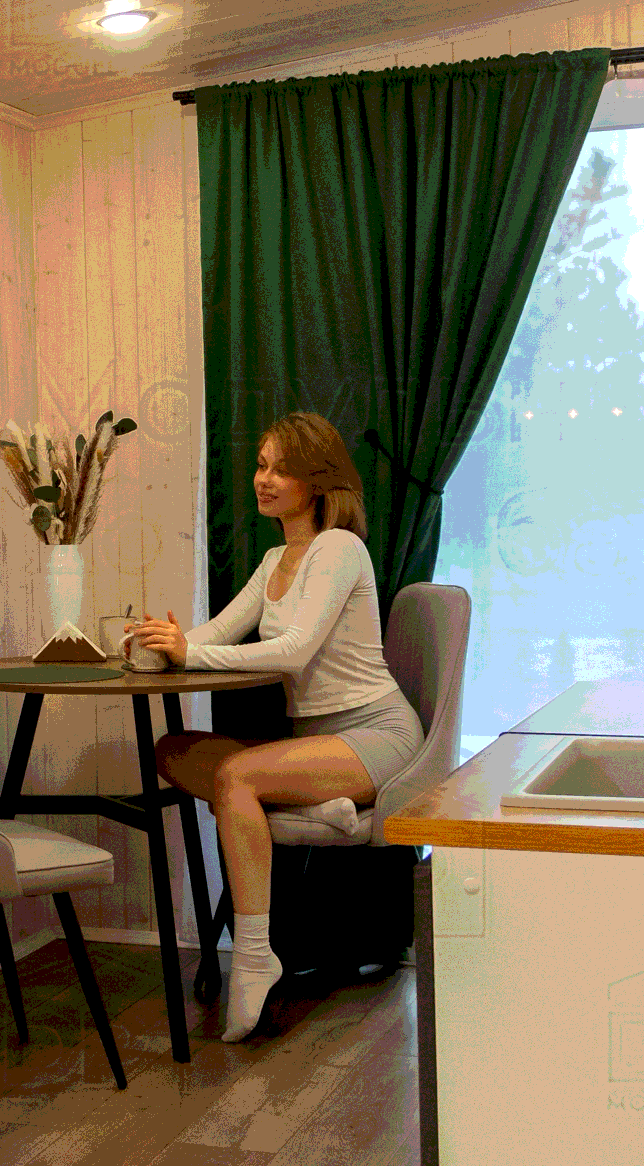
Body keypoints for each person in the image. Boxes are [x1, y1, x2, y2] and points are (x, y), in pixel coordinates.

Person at [128, 412, 424, 1044]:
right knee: (172, 751)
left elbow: (294, 651)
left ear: (316, 481)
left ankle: (256, 955)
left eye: (282, 469)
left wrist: (191, 652)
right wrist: (158, 644)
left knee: (236, 777)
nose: (264, 479)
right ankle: (321, 808)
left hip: (377, 735)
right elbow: (215, 634)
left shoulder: (338, 548)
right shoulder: (273, 560)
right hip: (316, 744)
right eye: (261, 465)